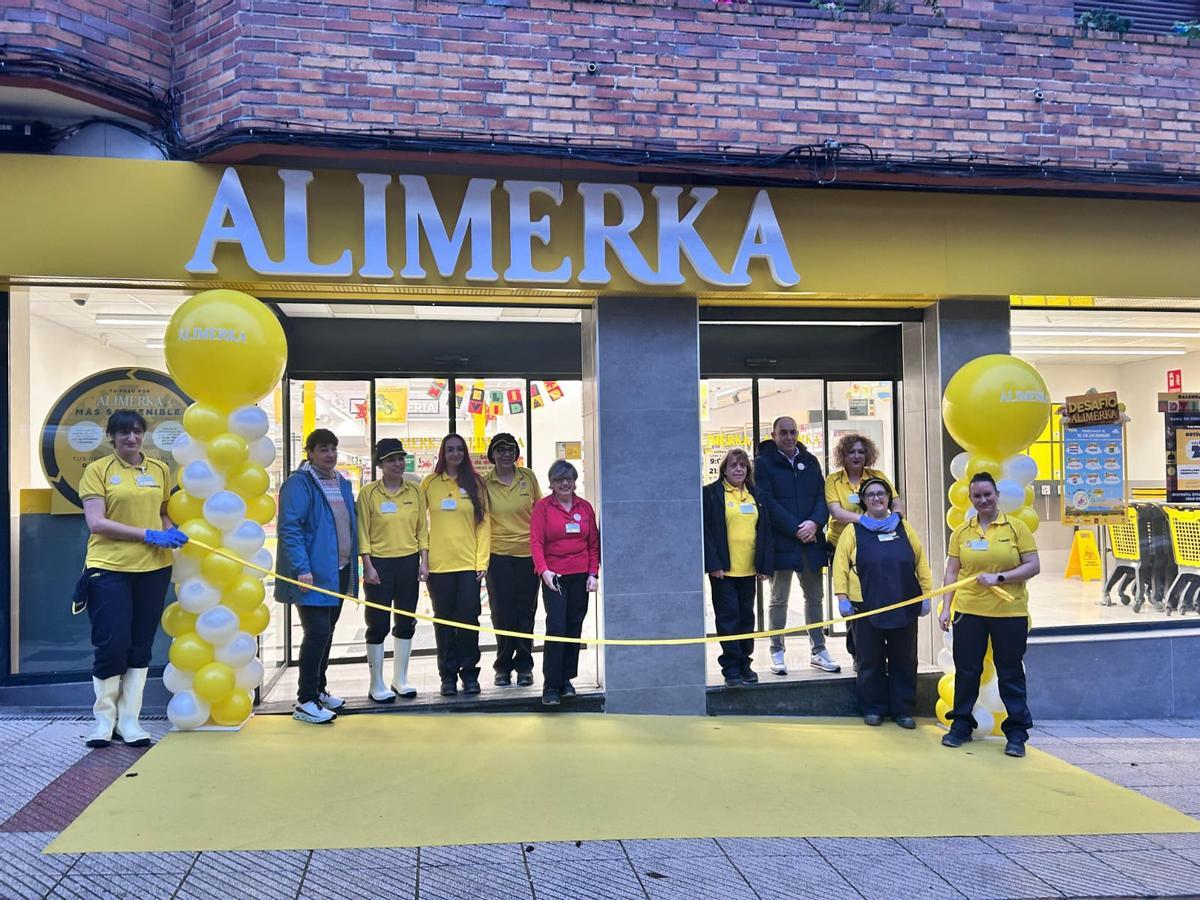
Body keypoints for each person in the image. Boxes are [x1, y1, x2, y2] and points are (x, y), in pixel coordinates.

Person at [78, 411, 188, 748]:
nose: (131, 438)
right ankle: (103, 721)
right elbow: (96, 522)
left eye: (137, 432)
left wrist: (172, 532)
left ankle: (130, 720)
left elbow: (164, 511)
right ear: (111, 436)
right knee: (111, 644)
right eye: (124, 432)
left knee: (140, 645)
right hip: (108, 568)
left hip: (152, 570)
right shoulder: (98, 471)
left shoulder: (159, 469)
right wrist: (148, 534)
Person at [939, 471, 1041, 757]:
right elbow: (952, 572)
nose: (983, 500)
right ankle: (961, 725)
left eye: (987, 494)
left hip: (1009, 612)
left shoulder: (1016, 528)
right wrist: (947, 608)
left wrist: (1000, 578)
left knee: (1010, 672)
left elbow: (1033, 565)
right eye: (977, 496)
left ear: (997, 495)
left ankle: (1017, 733)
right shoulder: (962, 532)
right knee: (967, 670)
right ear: (970, 499)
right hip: (969, 612)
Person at [832, 477, 931, 728]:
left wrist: (926, 596)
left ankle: (903, 709)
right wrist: (842, 598)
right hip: (865, 605)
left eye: (881, 494)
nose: (877, 498)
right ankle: (873, 708)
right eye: (871, 495)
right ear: (863, 501)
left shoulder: (904, 528)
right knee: (870, 659)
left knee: (904, 659)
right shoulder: (852, 531)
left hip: (904, 602)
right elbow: (840, 567)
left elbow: (921, 563)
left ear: (888, 498)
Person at [277, 428, 359, 725]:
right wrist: (301, 567)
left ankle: (319, 690)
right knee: (317, 633)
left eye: (333, 449)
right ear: (309, 452)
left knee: (328, 631)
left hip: (339, 570)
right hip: (311, 573)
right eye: (323, 449)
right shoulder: (299, 484)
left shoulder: (343, 483)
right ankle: (305, 699)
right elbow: (289, 528)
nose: (330, 454)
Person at [755, 416, 839, 675]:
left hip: (811, 542)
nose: (789, 437)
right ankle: (777, 651)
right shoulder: (763, 464)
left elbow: (821, 497)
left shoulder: (810, 461)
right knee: (778, 598)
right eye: (783, 433)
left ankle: (819, 650)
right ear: (773, 434)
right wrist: (796, 528)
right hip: (781, 542)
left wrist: (814, 523)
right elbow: (767, 502)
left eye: (793, 432)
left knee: (815, 597)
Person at [356, 438, 428, 703]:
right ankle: (376, 683)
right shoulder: (369, 493)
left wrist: (424, 560)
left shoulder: (415, 491)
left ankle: (401, 679)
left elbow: (422, 528)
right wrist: (368, 565)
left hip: (408, 562)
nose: (398, 464)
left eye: (400, 459)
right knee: (377, 624)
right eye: (391, 460)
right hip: (379, 565)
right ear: (380, 464)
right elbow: (362, 531)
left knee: (406, 620)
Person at [422, 434, 490, 697]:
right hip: (439, 567)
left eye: (459, 449)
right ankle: (447, 676)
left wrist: (481, 560)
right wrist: (424, 560)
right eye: (450, 449)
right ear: (443, 453)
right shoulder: (429, 483)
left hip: (468, 565)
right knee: (444, 622)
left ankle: (470, 675)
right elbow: (419, 524)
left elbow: (485, 525)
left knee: (469, 621)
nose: (455, 454)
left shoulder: (475, 483)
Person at [825, 433, 903, 661]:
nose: (856, 456)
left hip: (877, 545)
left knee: (878, 595)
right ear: (843, 455)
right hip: (843, 544)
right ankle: (858, 654)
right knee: (853, 600)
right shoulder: (834, 480)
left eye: (861, 451)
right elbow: (836, 512)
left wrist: (896, 517)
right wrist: (863, 521)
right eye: (851, 452)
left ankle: (881, 652)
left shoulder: (878, 476)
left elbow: (895, 501)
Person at [530, 459, 600, 706]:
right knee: (557, 627)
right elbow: (536, 542)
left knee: (573, 627)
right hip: (555, 577)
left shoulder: (585, 507)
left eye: (569, 479)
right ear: (551, 483)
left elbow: (593, 543)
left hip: (581, 575)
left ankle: (567, 680)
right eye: (559, 479)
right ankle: (551, 685)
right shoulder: (543, 508)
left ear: (575, 481)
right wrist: (544, 571)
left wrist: (593, 573)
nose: (564, 483)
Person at [702, 448, 773, 688]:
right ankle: (730, 666)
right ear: (724, 469)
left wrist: (764, 566)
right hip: (724, 571)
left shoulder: (756, 495)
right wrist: (714, 563)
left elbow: (764, 533)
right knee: (728, 618)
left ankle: (745, 663)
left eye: (743, 466)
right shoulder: (711, 494)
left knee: (746, 618)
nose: (739, 469)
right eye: (733, 465)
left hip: (749, 569)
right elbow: (707, 532)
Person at [483, 433, 542, 687]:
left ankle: (525, 666)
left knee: (526, 612)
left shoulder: (527, 477)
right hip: (497, 556)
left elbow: (539, 511)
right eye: (500, 450)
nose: (506, 454)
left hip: (528, 555)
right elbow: (482, 521)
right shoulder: (485, 483)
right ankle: (503, 666)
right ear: (492, 454)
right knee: (501, 613)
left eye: (510, 449)